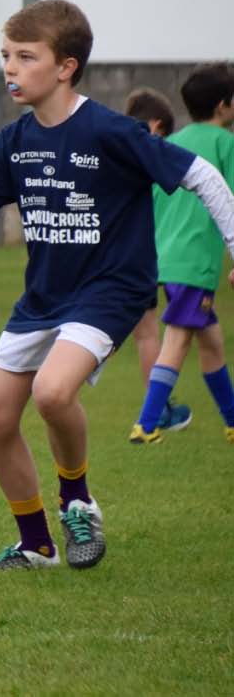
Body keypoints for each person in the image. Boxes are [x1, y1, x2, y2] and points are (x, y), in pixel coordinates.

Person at [0, 0, 234, 572]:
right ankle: (36, 545)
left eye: (26, 57)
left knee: (53, 392)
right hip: (44, 295)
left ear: (65, 67)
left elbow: (199, 174)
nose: (10, 68)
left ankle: (77, 500)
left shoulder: (109, 129)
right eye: (5, 55)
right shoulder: (14, 140)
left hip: (111, 290)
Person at [130, 64, 234, 445]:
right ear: (224, 105)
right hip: (195, 263)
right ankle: (148, 421)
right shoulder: (226, 144)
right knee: (178, 339)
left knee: (211, 340)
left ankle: (232, 420)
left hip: (166, 257)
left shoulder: (173, 144)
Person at [123, 88, 190, 431]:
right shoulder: (149, 159)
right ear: (155, 126)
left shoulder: (115, 154)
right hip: (145, 257)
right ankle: (158, 407)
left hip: (115, 256)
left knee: (139, 333)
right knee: (149, 334)